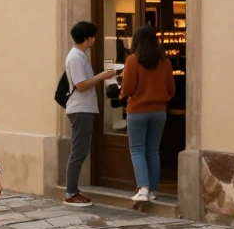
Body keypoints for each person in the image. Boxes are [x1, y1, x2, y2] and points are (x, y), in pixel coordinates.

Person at [62, 21, 117, 207]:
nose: (95, 39)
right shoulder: (76, 57)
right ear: (88, 38)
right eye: (93, 36)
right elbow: (81, 85)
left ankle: (73, 191)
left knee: (81, 150)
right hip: (80, 108)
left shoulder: (80, 55)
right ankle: (71, 192)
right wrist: (102, 76)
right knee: (79, 151)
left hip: (84, 108)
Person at [120, 24, 176, 204]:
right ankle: (153, 190)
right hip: (159, 111)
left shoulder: (132, 61)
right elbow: (172, 90)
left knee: (137, 150)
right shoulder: (165, 62)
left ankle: (143, 189)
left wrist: (125, 94)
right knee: (153, 151)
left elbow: (128, 88)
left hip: (137, 110)